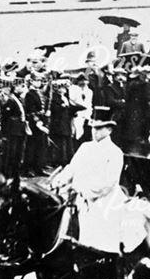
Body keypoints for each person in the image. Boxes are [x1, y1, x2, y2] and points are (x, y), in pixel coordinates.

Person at [50, 106, 128, 253]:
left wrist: (82, 189)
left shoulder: (115, 152)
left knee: (100, 220)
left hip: (102, 198)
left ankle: (104, 255)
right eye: (93, 128)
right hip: (78, 195)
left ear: (109, 130)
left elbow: (108, 184)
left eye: (99, 128)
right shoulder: (85, 147)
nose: (94, 132)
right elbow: (71, 168)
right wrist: (59, 181)